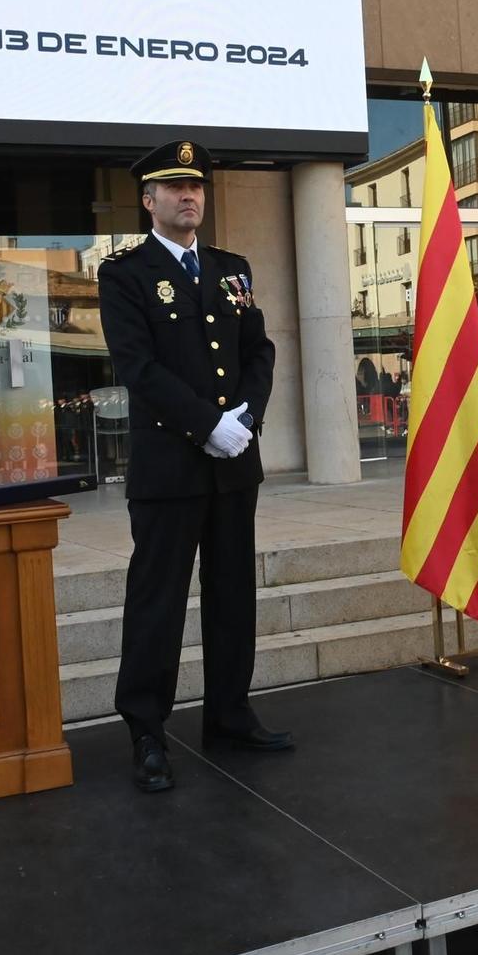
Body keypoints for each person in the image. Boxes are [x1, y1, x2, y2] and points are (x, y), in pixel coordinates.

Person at [98, 139, 285, 793]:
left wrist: (245, 420)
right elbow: (138, 368)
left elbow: (258, 353)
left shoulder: (232, 269)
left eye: (197, 186)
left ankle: (229, 714)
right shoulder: (123, 274)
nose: (189, 195)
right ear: (148, 199)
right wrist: (208, 424)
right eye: (175, 187)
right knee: (158, 603)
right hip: (169, 469)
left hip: (234, 465)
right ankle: (147, 730)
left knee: (234, 595)